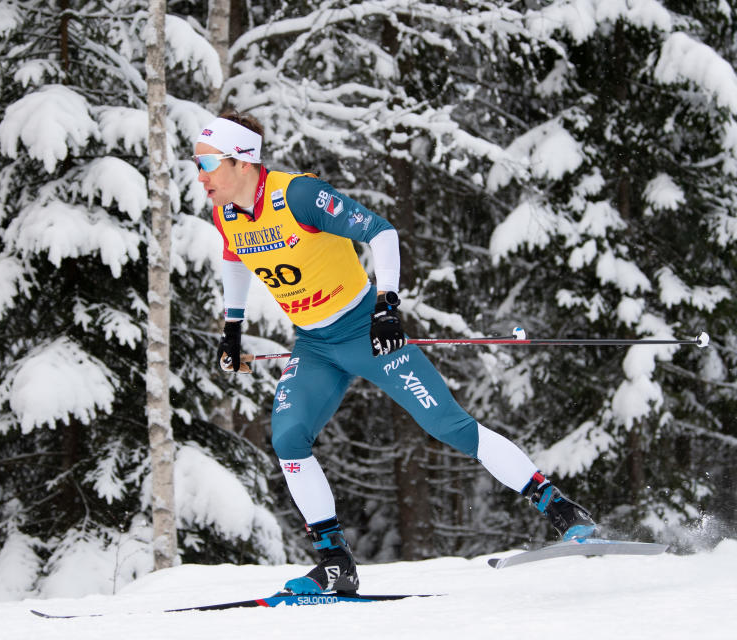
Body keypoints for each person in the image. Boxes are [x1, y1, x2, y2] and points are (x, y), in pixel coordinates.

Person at [195, 112, 596, 595]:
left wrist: (387, 304)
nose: (201, 174)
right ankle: (335, 562)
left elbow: (382, 232)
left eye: (209, 162)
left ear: (243, 162)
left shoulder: (296, 195)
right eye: (198, 161)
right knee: (288, 438)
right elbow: (235, 260)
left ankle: (561, 509)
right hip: (314, 345)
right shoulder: (225, 213)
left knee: (447, 424)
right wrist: (232, 327)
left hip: (364, 329)